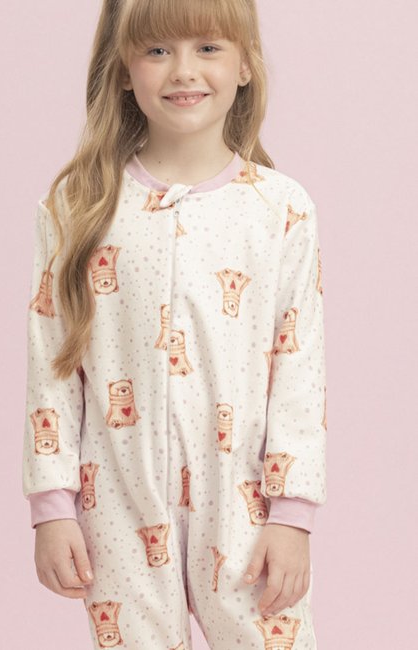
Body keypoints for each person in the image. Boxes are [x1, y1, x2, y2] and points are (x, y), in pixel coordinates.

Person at [21, 0, 328, 648]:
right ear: (122, 69)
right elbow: (52, 363)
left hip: (244, 504)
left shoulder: (280, 209)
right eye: (157, 50)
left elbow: (299, 370)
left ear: (244, 64)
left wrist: (292, 514)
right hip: (116, 498)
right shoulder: (79, 206)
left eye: (207, 48)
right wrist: (51, 505)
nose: (183, 70)